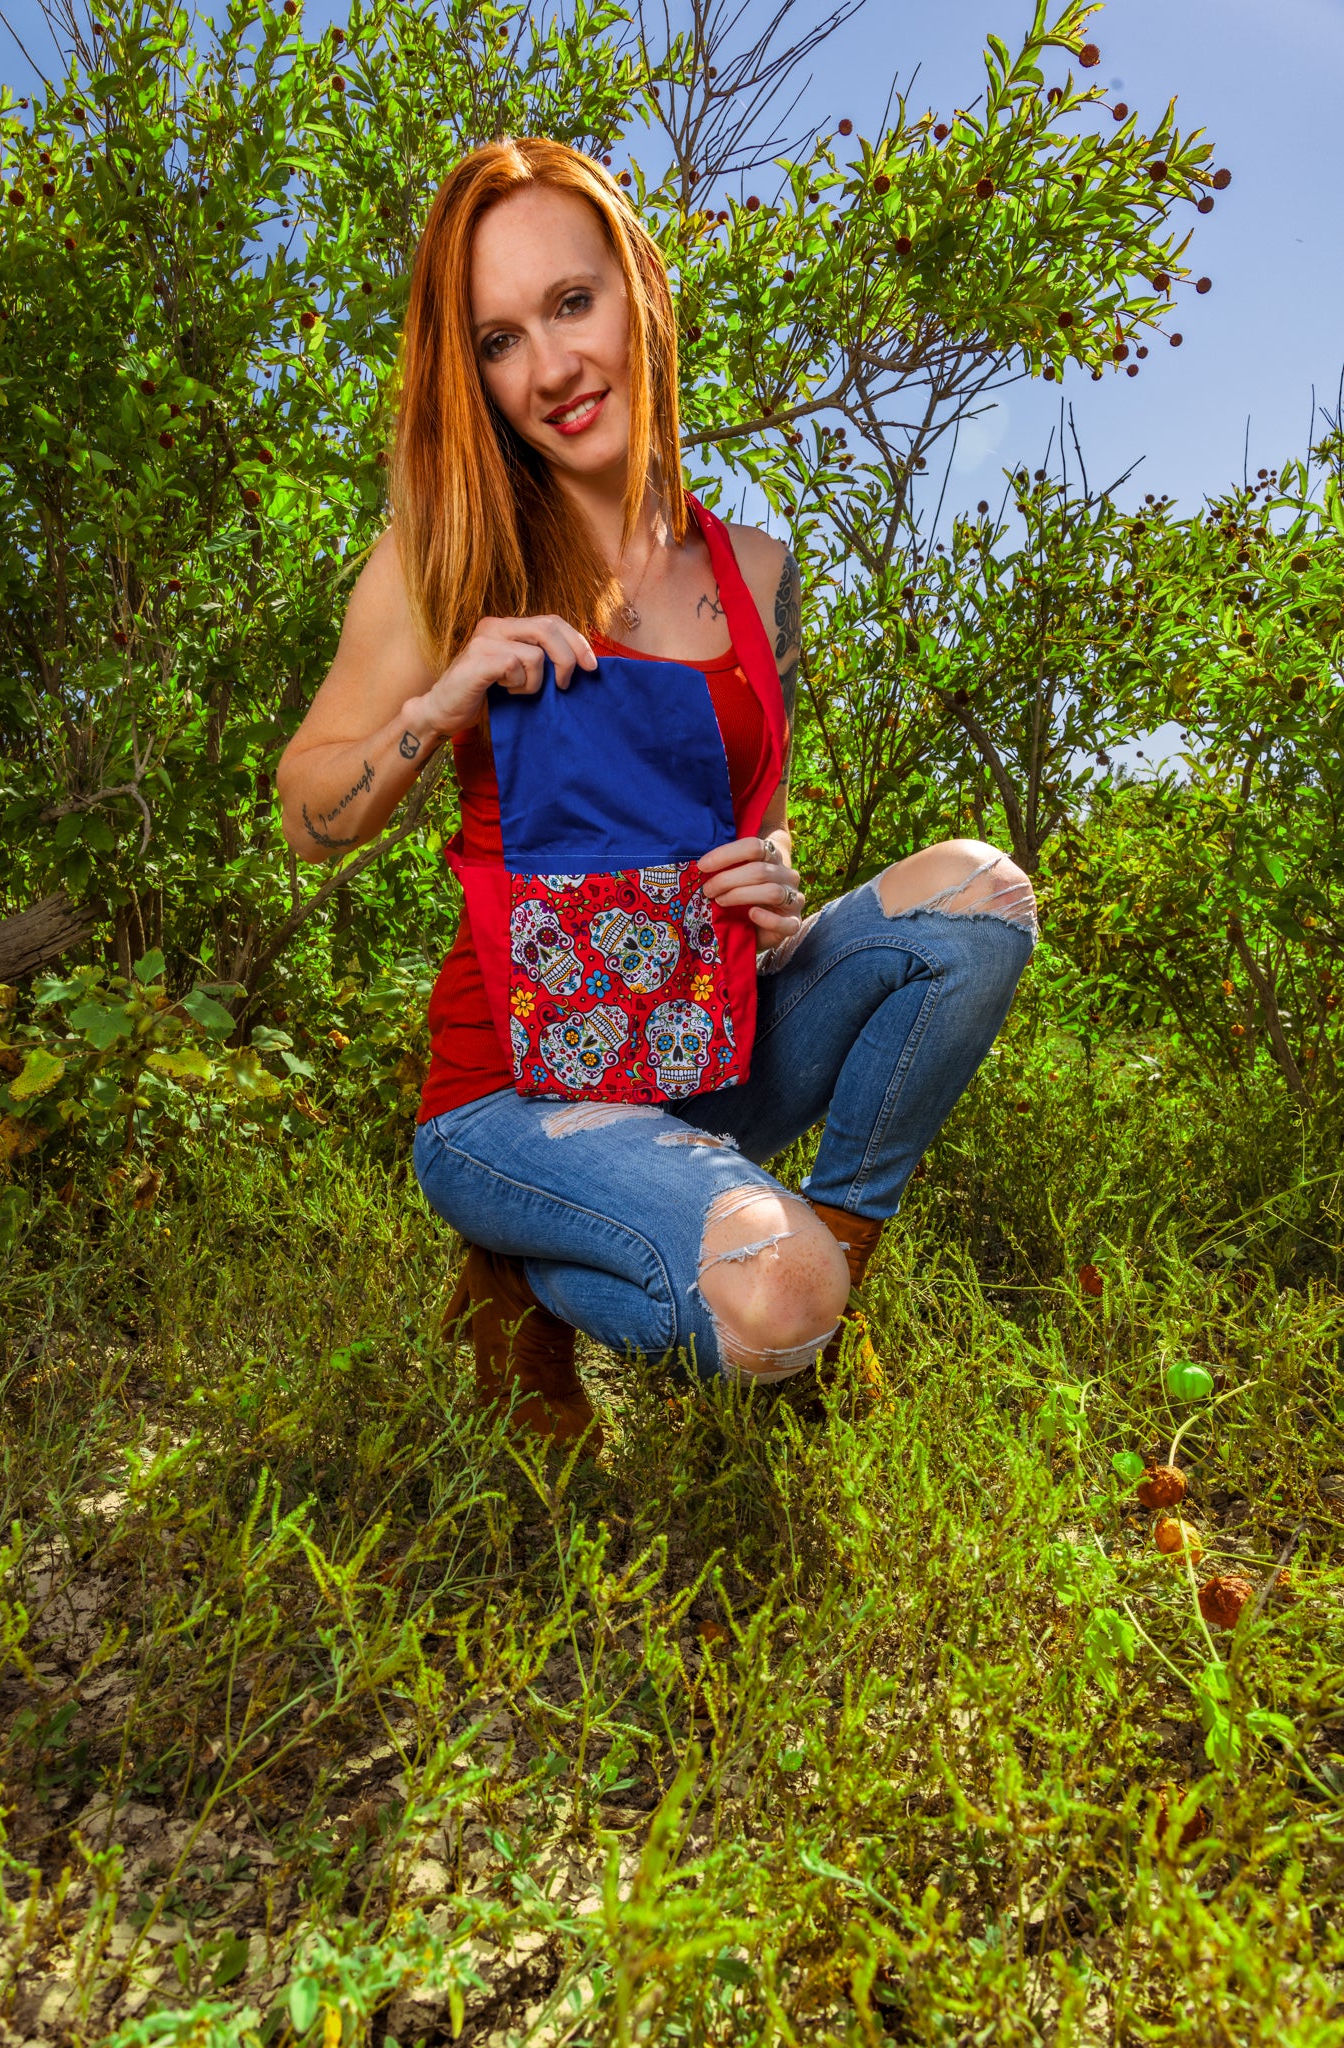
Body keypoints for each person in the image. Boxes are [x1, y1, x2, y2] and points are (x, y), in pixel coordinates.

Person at [276, 137, 1037, 1453]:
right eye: (502, 339)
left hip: (707, 1053)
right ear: (476, 374)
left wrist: (778, 892)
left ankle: (831, 1268)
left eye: (572, 304)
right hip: (515, 1092)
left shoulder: (758, 571)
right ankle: (547, 1282)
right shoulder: (441, 561)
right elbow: (305, 822)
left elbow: (749, 822)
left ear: (642, 295)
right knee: (769, 1306)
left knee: (975, 892)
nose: (553, 368)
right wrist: (437, 702)